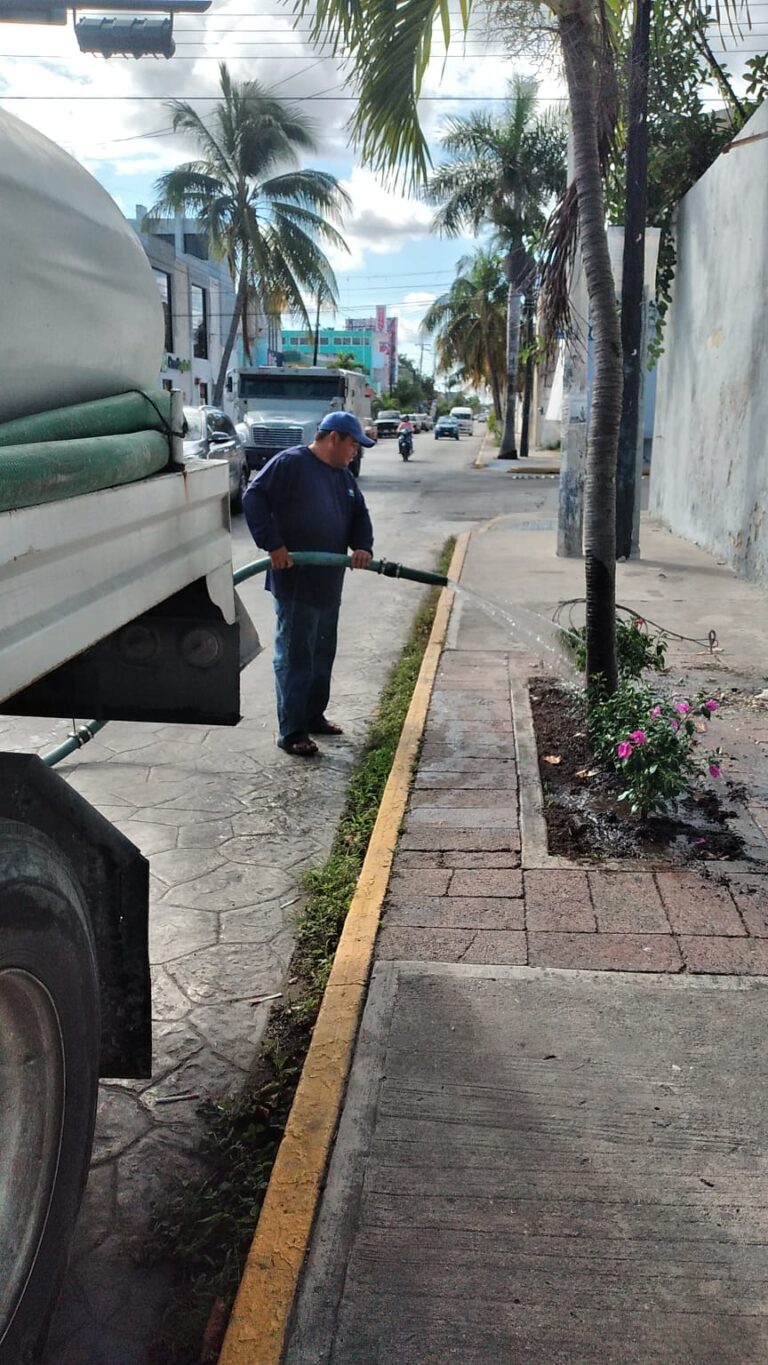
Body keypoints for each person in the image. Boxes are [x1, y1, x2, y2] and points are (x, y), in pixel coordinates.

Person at [243, 411, 375, 758]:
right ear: (333, 437)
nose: (355, 453)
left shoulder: (343, 476)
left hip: (329, 582)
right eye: (352, 445)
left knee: (321, 654)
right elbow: (253, 498)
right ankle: (292, 731)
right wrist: (273, 544)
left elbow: (360, 515)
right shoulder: (290, 464)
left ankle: (314, 716)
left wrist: (362, 546)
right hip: (296, 580)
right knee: (296, 656)